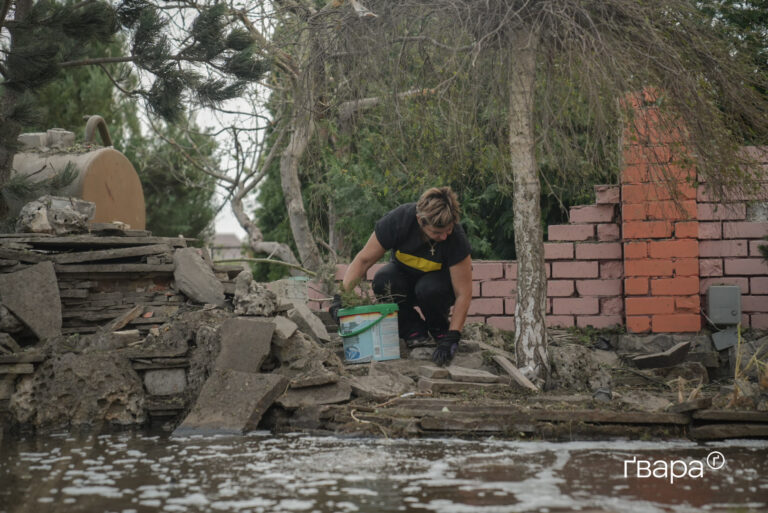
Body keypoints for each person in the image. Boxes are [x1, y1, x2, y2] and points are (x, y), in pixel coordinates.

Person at [330, 186, 472, 367]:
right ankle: (413, 330)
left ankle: (439, 330)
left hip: (436, 289)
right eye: (437, 232)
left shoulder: (456, 240)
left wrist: (453, 336)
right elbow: (363, 261)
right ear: (420, 220)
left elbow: (463, 293)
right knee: (383, 280)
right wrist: (340, 297)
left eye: (448, 229)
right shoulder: (398, 221)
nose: (444, 236)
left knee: (428, 288)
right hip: (403, 282)